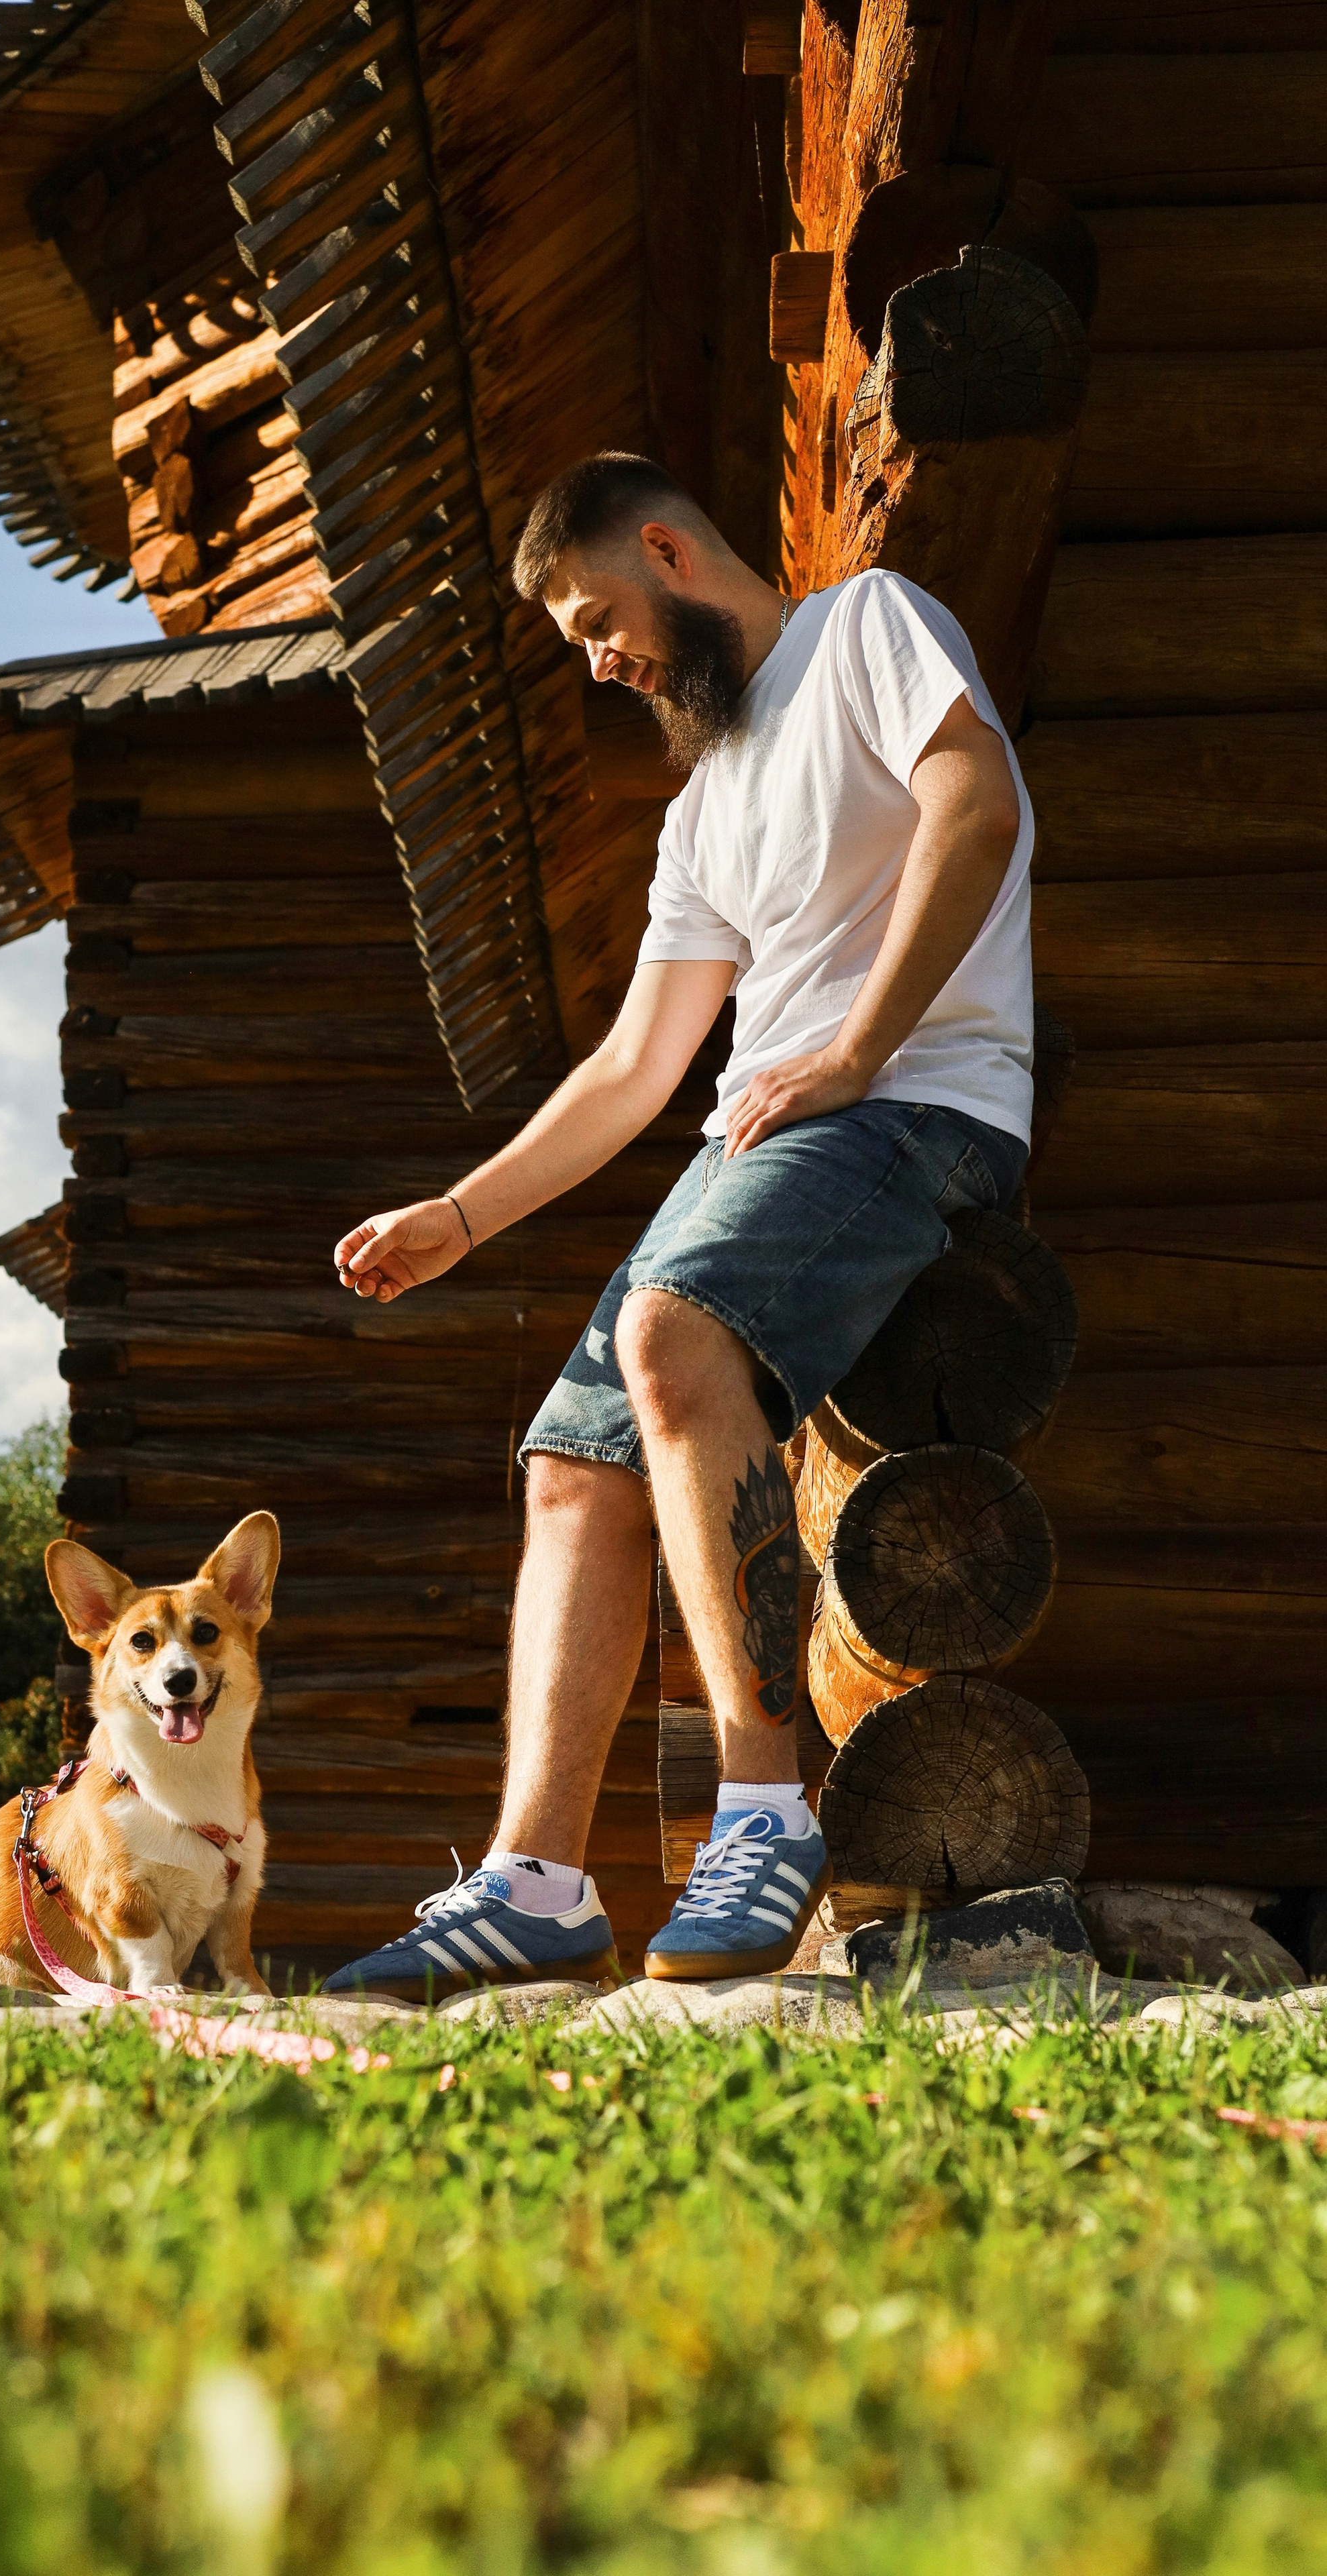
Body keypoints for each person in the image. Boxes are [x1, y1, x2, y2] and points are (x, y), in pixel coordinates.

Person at [321, 450, 1032, 2000]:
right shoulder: (703, 806)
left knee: (668, 1333)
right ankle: (533, 1885)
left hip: (916, 1105)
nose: (598, 661)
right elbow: (635, 1064)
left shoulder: (866, 625)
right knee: (569, 1467)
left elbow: (973, 804)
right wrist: (461, 1213)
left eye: (595, 622)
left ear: (665, 551)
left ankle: (763, 1812)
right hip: (757, 1141)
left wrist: (854, 1051)